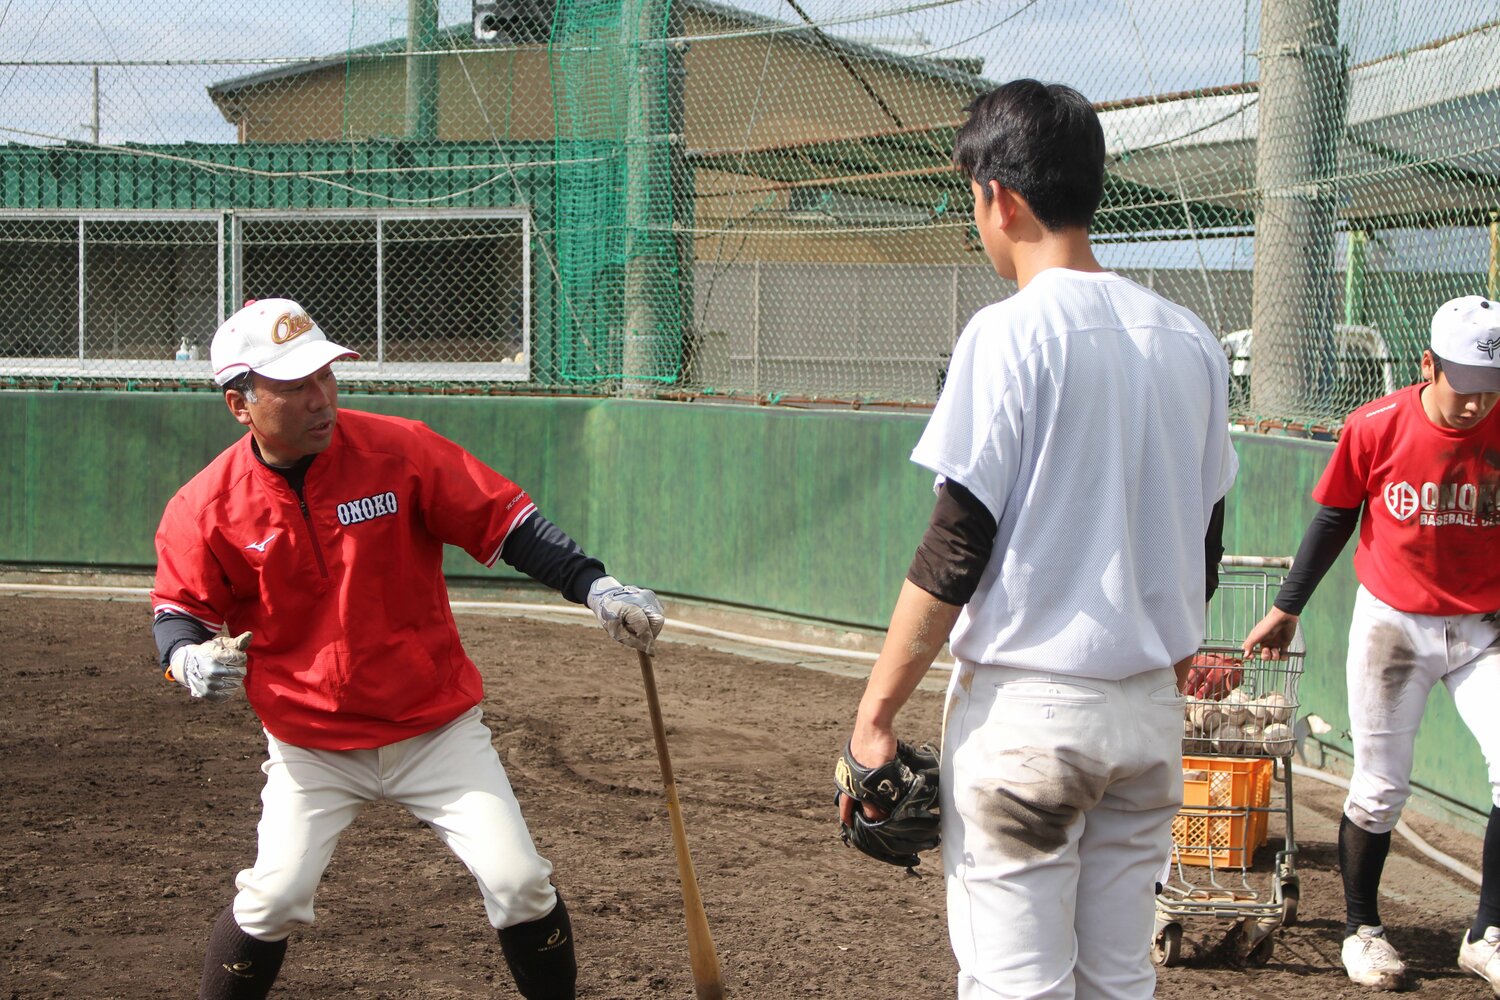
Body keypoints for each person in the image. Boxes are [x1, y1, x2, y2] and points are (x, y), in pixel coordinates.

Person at [836, 80, 1236, 999]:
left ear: (1000, 197)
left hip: (1029, 724)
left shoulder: (1009, 333)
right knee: (1117, 983)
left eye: (972, 196)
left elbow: (955, 547)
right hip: (1145, 719)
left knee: (1017, 987)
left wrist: (874, 717)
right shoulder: (1192, 341)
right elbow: (1205, 535)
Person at [150, 297, 665, 1000]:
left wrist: (596, 584)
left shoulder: (399, 451)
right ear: (241, 404)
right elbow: (178, 607)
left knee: (520, 883)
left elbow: (505, 521)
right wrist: (184, 658)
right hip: (312, 744)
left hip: (435, 729)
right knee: (272, 898)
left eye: (326, 376)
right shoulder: (206, 505)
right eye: (295, 386)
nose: (320, 398)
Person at [1241, 295, 1500, 993]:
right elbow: (1333, 519)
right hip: (1395, 625)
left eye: (1491, 388)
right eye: (1465, 387)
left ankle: (1486, 932)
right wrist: (1287, 607)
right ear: (1428, 366)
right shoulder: (1377, 424)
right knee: (1381, 786)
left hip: (1485, 629)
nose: (1477, 405)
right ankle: (1363, 930)